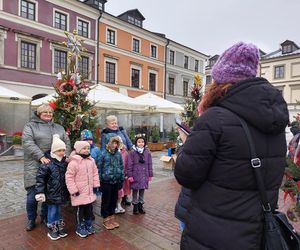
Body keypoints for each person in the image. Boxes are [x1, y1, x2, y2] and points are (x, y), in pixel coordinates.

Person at [174, 42, 289, 250]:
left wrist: (186, 144)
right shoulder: (277, 123)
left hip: (212, 231)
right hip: (254, 233)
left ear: (221, 80)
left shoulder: (215, 118)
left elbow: (186, 174)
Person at [22, 104, 71, 231]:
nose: (48, 115)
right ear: (39, 113)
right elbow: (27, 142)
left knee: (49, 193)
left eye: (50, 112)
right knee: (33, 194)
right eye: (45, 112)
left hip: (54, 166)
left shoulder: (59, 127)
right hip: (34, 164)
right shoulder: (30, 126)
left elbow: (67, 141)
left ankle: (45, 216)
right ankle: (31, 219)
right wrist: (40, 156)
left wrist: (65, 155)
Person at [35, 134, 69, 240]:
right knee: (52, 211)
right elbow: (40, 178)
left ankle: (59, 227)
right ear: (53, 151)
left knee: (59, 210)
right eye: (59, 150)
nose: (62, 153)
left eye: (63, 150)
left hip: (61, 193)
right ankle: (51, 229)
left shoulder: (64, 163)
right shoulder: (47, 163)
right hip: (51, 193)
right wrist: (40, 192)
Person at [65, 141, 100, 238]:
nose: (87, 150)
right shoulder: (74, 162)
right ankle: (80, 226)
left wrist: (96, 184)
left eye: (88, 148)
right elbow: (69, 177)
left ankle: (88, 224)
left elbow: (95, 173)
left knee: (89, 209)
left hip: (89, 191)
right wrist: (73, 190)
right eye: (84, 148)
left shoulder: (91, 161)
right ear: (78, 150)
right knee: (80, 210)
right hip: (79, 193)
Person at [101, 115, 132, 205]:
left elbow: (128, 140)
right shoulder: (105, 134)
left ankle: (125, 196)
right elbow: (103, 147)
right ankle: (116, 198)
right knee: (118, 177)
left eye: (116, 123)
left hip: (124, 156)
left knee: (125, 176)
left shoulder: (121, 130)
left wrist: (132, 149)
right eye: (112, 123)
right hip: (114, 158)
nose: (115, 125)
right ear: (107, 125)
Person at [98, 136, 124, 230]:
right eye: (113, 143)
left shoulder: (118, 154)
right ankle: (106, 218)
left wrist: (121, 179)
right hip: (106, 181)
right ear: (109, 143)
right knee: (106, 200)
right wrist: (100, 181)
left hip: (115, 181)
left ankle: (111, 216)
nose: (114, 145)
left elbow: (121, 166)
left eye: (116, 143)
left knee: (114, 199)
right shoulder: (103, 154)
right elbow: (99, 168)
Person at [127, 134, 153, 215]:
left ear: (144, 143)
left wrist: (150, 174)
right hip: (135, 175)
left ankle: (140, 205)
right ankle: (135, 206)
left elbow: (149, 163)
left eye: (142, 142)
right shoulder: (132, 153)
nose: (141, 143)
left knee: (142, 189)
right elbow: (129, 164)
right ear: (136, 143)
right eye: (139, 142)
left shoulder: (147, 152)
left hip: (144, 175)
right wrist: (130, 175)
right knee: (135, 190)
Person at [115, 137, 129, 214]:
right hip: (114, 176)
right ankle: (114, 205)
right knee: (115, 192)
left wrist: (126, 173)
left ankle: (119, 204)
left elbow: (127, 164)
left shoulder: (125, 153)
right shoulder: (112, 152)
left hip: (122, 176)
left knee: (121, 191)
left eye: (120, 142)